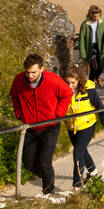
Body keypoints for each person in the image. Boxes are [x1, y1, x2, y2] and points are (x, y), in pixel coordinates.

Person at [9, 54, 73, 195]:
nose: (30, 75)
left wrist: (58, 115)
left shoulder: (53, 80)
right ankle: (49, 177)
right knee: (28, 163)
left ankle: (48, 193)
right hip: (30, 127)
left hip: (50, 126)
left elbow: (67, 94)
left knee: (45, 161)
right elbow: (14, 96)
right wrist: (19, 114)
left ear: (41, 69)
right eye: (27, 72)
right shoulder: (19, 80)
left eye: (33, 72)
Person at [63, 64, 104, 188]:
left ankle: (78, 184)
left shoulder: (88, 90)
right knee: (82, 150)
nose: (70, 86)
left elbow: (99, 105)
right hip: (71, 126)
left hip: (87, 125)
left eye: (73, 83)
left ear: (79, 80)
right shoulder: (63, 90)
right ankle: (93, 172)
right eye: (67, 82)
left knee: (77, 152)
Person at [78, 5, 104, 81]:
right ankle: (91, 83)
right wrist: (83, 53)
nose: (96, 18)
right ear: (90, 15)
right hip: (90, 48)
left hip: (100, 46)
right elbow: (82, 39)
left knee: (101, 67)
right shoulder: (85, 24)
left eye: (98, 16)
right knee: (93, 68)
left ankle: (97, 77)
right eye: (94, 16)